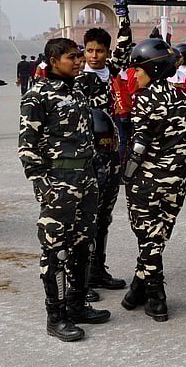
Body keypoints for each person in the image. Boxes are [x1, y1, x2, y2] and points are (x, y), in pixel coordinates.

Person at [19, 37, 110, 342]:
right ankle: (55, 315)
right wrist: (43, 185)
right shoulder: (37, 95)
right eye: (73, 58)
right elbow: (27, 148)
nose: (80, 62)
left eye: (79, 57)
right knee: (56, 248)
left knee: (85, 242)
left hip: (85, 179)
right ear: (54, 59)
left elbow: (114, 64)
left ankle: (78, 302)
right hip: (58, 182)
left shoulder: (80, 88)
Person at [120, 38, 186, 323]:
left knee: (148, 239)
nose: (135, 75)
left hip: (147, 182)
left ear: (153, 69)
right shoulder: (183, 97)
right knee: (157, 237)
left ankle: (157, 299)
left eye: (138, 69)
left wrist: (125, 175)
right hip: (176, 181)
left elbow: (139, 144)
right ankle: (138, 288)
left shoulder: (145, 99)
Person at [76, 25, 134, 298]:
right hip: (89, 157)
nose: (94, 56)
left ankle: (98, 269)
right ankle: (83, 278)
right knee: (86, 217)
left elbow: (125, 46)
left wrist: (122, 14)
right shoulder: (77, 81)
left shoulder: (111, 73)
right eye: (89, 50)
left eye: (99, 51)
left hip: (111, 155)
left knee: (104, 217)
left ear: (107, 52)